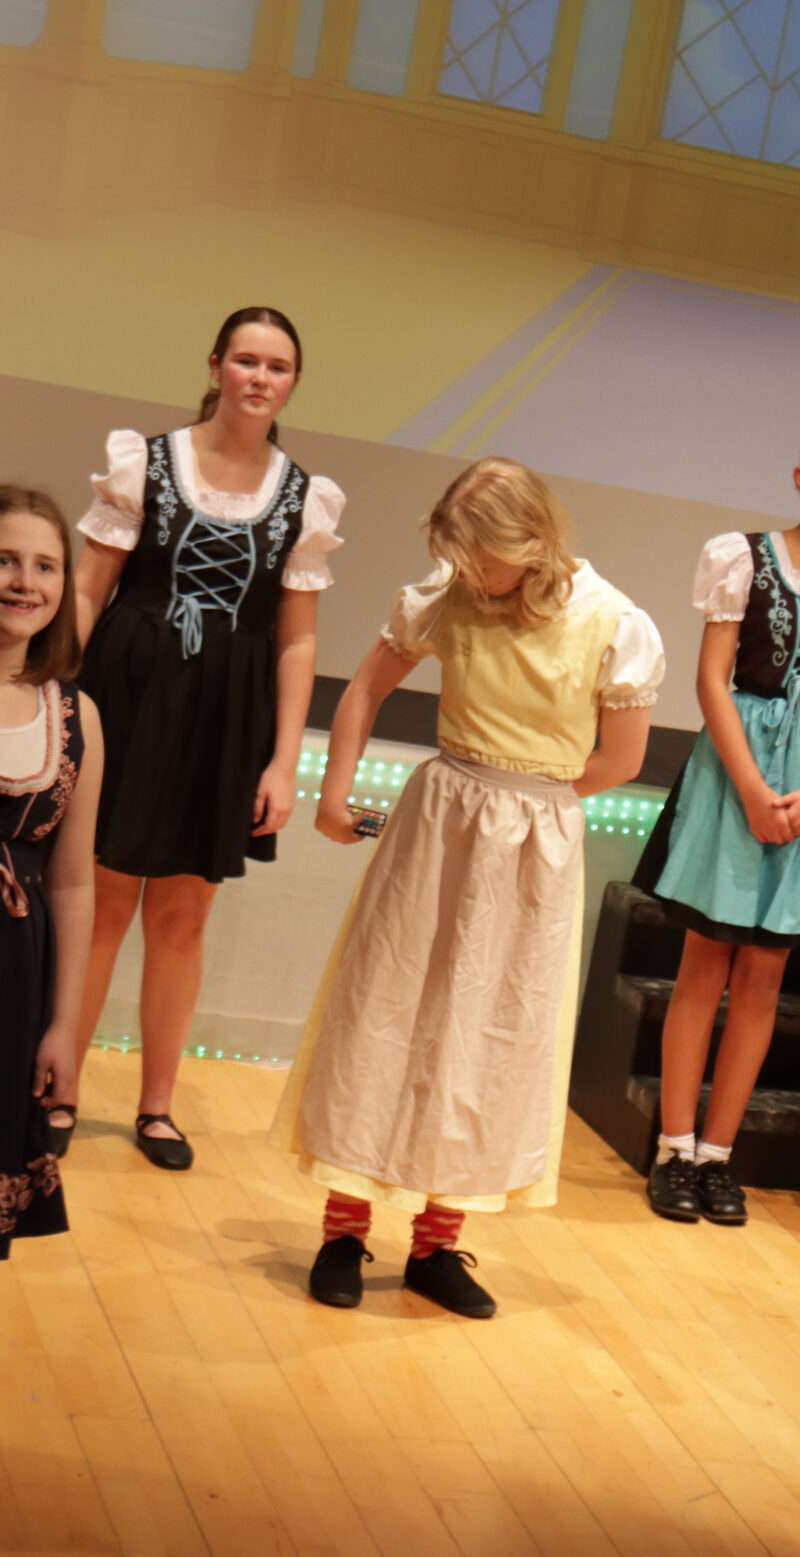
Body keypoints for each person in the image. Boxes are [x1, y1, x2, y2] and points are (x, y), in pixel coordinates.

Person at [273, 458, 663, 1319]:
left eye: (482, 554)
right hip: (439, 822)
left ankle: (436, 1243)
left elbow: (622, 758)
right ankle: (344, 1228)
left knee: (491, 1029)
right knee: (386, 1007)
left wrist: (531, 802)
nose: (471, 571)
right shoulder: (447, 598)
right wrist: (334, 793)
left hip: (533, 840)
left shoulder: (612, 621)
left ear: (531, 539)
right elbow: (364, 689)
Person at [67, 308, 345, 1169]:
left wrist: (284, 760)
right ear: (218, 364)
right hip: (126, 696)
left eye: (278, 366)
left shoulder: (305, 497)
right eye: (247, 360)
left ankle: (156, 1106)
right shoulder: (144, 463)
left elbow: (297, 640)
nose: (260, 377)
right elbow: (88, 589)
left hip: (226, 717)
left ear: (293, 383)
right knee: (102, 904)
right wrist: (55, 702)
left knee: (183, 916)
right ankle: (57, 1087)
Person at [632, 425, 800, 1227]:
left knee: (764, 976)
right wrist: (752, 786)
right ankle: (673, 1148)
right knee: (704, 963)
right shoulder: (743, 557)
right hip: (734, 768)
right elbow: (710, 679)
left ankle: (718, 1155)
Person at [0, 485, 102, 1514]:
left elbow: (73, 881)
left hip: (2, 990)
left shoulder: (76, 717)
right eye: (3, 559)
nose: (26, 582)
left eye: (45, 565)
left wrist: (64, 1025)